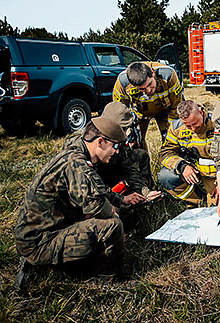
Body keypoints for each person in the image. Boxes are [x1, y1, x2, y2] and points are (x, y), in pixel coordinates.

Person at [14, 115, 140, 291]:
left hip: (43, 229)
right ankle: (109, 280)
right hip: (40, 241)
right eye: (115, 146)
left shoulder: (79, 150)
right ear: (100, 142)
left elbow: (95, 186)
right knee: (112, 225)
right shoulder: (77, 164)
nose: (117, 152)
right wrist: (113, 210)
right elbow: (97, 205)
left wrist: (120, 199)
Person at [63, 101, 160, 203]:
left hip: (108, 172)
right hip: (88, 183)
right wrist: (117, 201)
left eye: (126, 128)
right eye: (122, 128)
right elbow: (85, 182)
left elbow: (129, 168)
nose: (125, 133)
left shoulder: (117, 138)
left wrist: (144, 192)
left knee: (140, 154)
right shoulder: (79, 143)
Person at [158, 100, 220, 208]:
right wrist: (182, 166)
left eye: (195, 123)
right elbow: (165, 153)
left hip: (218, 172)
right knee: (166, 176)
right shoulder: (176, 128)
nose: (193, 129)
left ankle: (210, 198)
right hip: (193, 169)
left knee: (219, 205)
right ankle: (197, 200)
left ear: (201, 112)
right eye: (188, 126)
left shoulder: (219, 124)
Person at [112, 61, 183, 151]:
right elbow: (120, 112)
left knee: (171, 140)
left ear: (152, 73)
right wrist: (127, 131)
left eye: (150, 84)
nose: (148, 90)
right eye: (142, 89)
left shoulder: (168, 75)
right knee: (136, 144)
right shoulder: (122, 84)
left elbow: (176, 107)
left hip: (165, 110)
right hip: (139, 112)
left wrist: (173, 130)